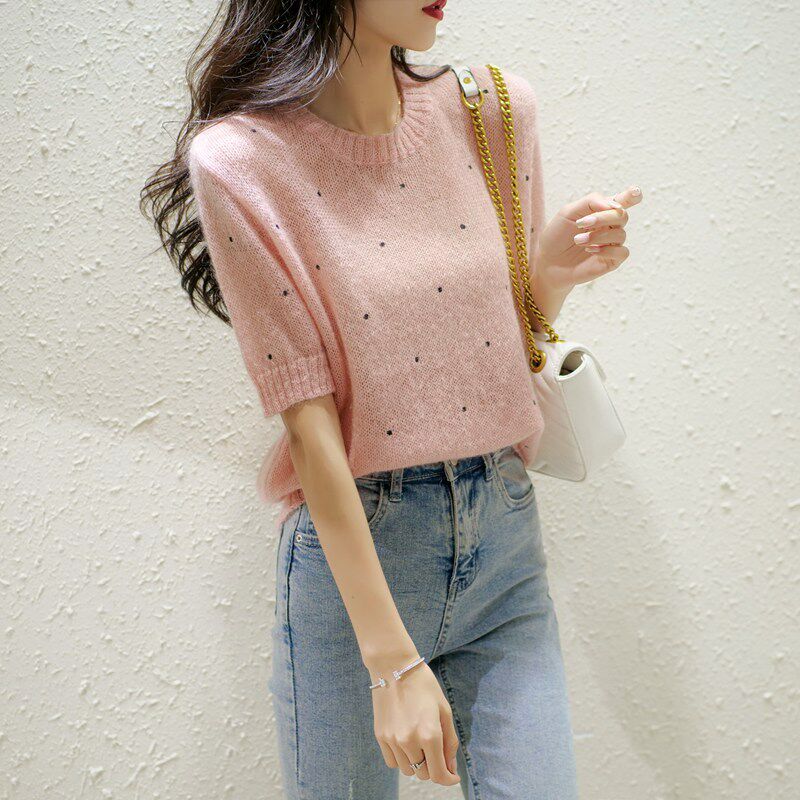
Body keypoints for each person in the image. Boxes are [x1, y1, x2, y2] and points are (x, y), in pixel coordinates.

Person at [141, 1, 642, 797]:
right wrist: (391, 662)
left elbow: (496, 356)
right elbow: (310, 431)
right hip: (358, 566)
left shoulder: (493, 110)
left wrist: (547, 273)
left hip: (505, 542)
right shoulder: (242, 160)